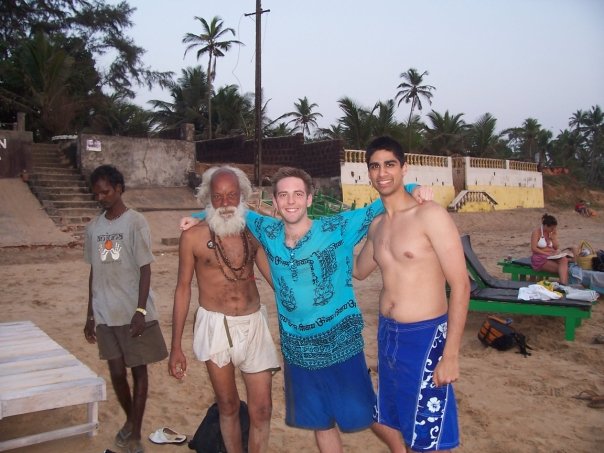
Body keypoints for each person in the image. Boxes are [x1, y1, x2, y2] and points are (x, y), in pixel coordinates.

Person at [181, 167, 432, 452]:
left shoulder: (335, 228)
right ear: (274, 202)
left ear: (310, 199)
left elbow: (379, 204)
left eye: (298, 194)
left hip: (339, 342)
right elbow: (228, 209)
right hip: (297, 350)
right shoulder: (268, 229)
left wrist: (413, 187)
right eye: (284, 195)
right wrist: (198, 217)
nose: (291, 202)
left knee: (366, 411)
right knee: (320, 422)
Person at [353, 136, 470, 453]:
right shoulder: (377, 226)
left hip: (425, 336)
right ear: (369, 173)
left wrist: (451, 355)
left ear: (404, 169)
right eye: (375, 166)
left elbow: (460, 284)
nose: (382, 173)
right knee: (397, 421)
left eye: (389, 164)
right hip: (388, 335)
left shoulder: (429, 215)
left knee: (429, 436)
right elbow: (359, 269)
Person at [169, 166, 280, 453]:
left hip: (253, 324)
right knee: (227, 405)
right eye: (217, 196)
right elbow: (183, 289)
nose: (225, 203)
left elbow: (278, 282)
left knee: (262, 409)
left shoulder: (253, 233)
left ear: (242, 196)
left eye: (232, 195)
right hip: (214, 326)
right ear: (208, 198)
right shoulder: (193, 237)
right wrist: (175, 347)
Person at [83, 164, 168, 453]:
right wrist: (90, 314)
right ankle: (132, 422)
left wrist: (141, 311)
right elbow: (96, 270)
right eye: (96, 193)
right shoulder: (94, 228)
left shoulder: (135, 222)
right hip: (105, 312)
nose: (101, 197)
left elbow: (145, 269)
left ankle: (133, 433)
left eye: (105, 191)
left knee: (138, 371)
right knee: (117, 371)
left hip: (132, 311)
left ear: (119, 189)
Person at [530, 213, 572, 285]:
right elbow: (534, 249)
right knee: (563, 270)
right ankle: (564, 284)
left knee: (564, 259)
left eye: (554, 228)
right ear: (545, 226)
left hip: (551, 255)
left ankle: (563, 283)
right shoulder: (536, 233)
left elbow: (556, 247)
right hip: (540, 257)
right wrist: (546, 253)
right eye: (552, 228)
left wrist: (554, 238)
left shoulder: (551, 233)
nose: (553, 229)